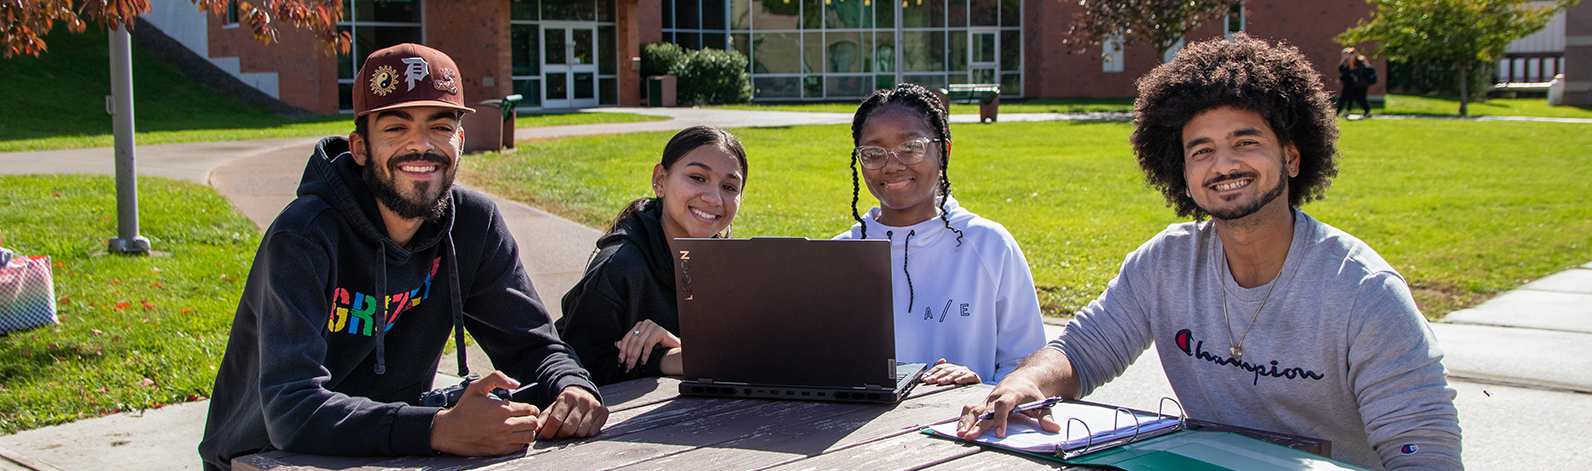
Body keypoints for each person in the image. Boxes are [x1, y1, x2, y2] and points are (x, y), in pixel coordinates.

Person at [957, 35, 1460, 471]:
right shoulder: (1166, 263)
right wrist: (1025, 383)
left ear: (1290, 156)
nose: (1224, 164)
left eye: (1245, 142)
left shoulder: (1363, 292)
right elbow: (1081, 351)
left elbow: (1425, 451)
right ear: (1182, 171)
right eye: (1201, 150)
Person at [199, 44, 607, 471]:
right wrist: (438, 429)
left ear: (460, 141)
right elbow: (290, 408)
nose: (421, 145)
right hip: (262, 459)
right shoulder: (303, 236)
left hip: (392, 451)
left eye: (440, 126)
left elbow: (532, 346)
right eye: (395, 127)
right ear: (359, 148)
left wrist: (571, 386)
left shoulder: (473, 224)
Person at [835, 83, 1046, 386]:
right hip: (866, 432)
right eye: (873, 152)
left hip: (963, 429)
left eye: (912, 147)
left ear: (943, 150)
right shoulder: (839, 257)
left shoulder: (988, 246)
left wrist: (980, 390)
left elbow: (1026, 365)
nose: (892, 165)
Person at [556, 126, 748, 386]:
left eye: (729, 186)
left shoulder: (736, 268)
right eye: (697, 177)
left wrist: (681, 351)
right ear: (660, 181)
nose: (714, 199)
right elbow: (574, 371)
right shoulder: (618, 269)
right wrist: (663, 360)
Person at [1338, 47, 1374, 118]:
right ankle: (1364, 112)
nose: (1350, 56)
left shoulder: (1359, 62)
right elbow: (1343, 71)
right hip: (1356, 84)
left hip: (1362, 83)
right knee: (1353, 98)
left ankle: (1367, 112)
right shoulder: (1351, 63)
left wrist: (1353, 69)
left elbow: (1359, 72)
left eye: (1351, 54)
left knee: (1361, 98)